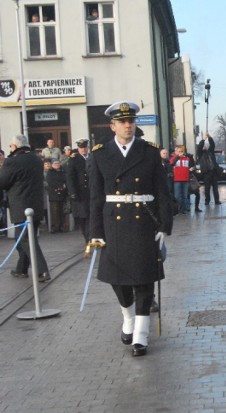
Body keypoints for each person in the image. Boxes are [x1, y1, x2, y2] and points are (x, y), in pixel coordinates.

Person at [88, 101, 173, 357]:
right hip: (113, 223)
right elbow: (94, 196)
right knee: (118, 279)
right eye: (123, 122)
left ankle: (141, 334)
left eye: (132, 121)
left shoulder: (148, 152)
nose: (128, 125)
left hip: (144, 223)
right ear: (112, 126)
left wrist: (165, 225)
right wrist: (95, 233)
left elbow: (162, 192)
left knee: (145, 279)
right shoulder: (100, 153)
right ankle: (127, 316)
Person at [0, 135, 50, 281]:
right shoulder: (36, 159)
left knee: (26, 240)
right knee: (30, 238)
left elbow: (2, 182)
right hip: (36, 205)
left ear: (15, 146)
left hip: (21, 206)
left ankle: (43, 270)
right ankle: (21, 269)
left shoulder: (12, 161)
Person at [66, 138, 91, 243]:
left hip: (91, 191)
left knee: (92, 215)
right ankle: (86, 237)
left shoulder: (92, 157)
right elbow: (70, 177)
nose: (83, 150)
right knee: (82, 216)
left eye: (85, 147)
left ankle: (91, 236)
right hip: (80, 192)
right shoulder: (74, 159)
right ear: (78, 148)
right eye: (81, 148)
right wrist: (72, 192)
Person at [196, 133, 221, 205]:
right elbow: (199, 147)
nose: (204, 147)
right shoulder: (200, 154)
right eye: (203, 146)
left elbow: (212, 144)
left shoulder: (211, 152)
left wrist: (209, 137)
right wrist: (203, 139)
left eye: (205, 146)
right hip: (206, 172)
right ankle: (207, 201)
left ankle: (217, 200)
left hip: (214, 172)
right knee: (207, 188)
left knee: (215, 188)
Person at [170, 145, 193, 214]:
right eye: (179, 151)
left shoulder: (186, 158)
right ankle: (179, 209)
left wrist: (191, 168)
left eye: (181, 151)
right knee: (177, 196)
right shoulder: (173, 158)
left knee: (185, 196)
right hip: (177, 179)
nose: (180, 153)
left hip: (185, 179)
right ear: (176, 152)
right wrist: (177, 157)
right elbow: (171, 164)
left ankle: (184, 209)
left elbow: (192, 165)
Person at [46, 158, 67, 233]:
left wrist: (63, 186)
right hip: (54, 193)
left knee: (62, 211)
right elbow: (50, 181)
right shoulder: (50, 172)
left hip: (62, 193)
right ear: (52, 164)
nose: (57, 165)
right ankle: (54, 227)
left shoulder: (62, 171)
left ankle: (61, 226)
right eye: (55, 163)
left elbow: (65, 179)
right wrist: (58, 186)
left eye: (58, 163)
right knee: (55, 211)